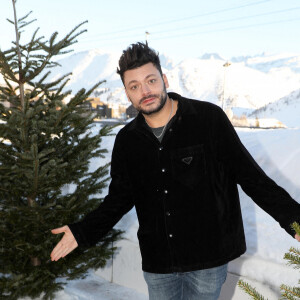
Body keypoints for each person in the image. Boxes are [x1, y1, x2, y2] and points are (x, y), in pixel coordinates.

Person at [50, 42, 300, 300]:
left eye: (150, 81)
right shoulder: (127, 140)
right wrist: (83, 231)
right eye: (134, 86)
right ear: (127, 94)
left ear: (164, 79)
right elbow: (118, 200)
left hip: (207, 260)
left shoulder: (208, 119)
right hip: (159, 263)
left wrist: (295, 220)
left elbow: (251, 177)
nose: (145, 91)